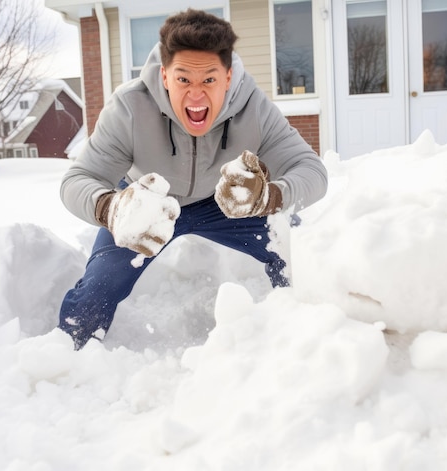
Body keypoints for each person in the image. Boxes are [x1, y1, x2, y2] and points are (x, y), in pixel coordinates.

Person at [58, 9, 328, 349]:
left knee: (298, 248)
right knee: (100, 286)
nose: (196, 96)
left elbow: (311, 170)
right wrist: (111, 208)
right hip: (145, 206)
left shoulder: (254, 108)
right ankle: (67, 354)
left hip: (224, 205)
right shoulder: (130, 108)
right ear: (165, 76)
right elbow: (78, 179)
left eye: (210, 80)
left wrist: (269, 197)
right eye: (184, 79)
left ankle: (312, 338)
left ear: (228, 77)